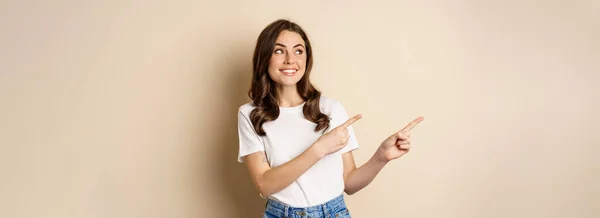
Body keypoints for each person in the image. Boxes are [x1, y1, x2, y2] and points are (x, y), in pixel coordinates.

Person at [237, 19, 424, 218]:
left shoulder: (330, 109)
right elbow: (265, 185)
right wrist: (319, 148)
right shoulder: (250, 114)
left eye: (298, 51)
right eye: (279, 51)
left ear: (307, 59)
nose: (290, 60)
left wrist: (381, 157)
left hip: (333, 212)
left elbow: (349, 184)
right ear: (264, 57)